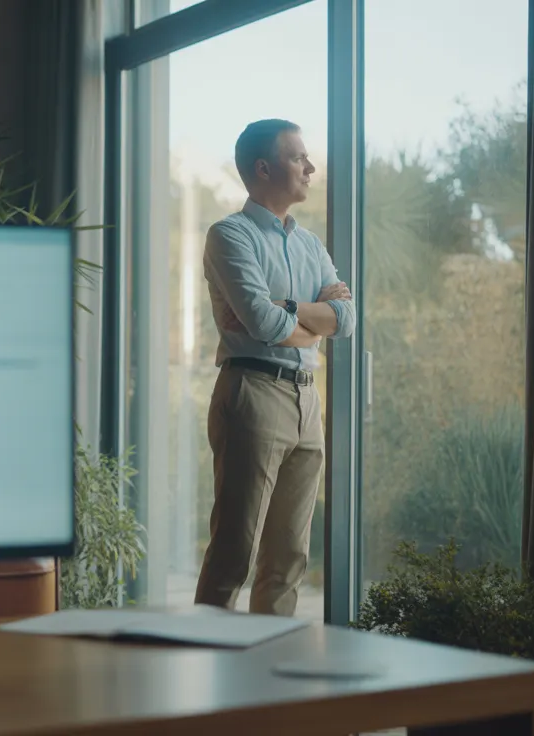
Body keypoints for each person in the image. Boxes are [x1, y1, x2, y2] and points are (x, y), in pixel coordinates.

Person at [194, 119, 356, 616]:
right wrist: (310, 319)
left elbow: (346, 320)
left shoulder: (309, 245)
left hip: (308, 399)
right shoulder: (230, 235)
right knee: (233, 553)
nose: (310, 167)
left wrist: (287, 308)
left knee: (289, 558)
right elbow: (262, 322)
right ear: (263, 168)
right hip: (253, 394)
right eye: (297, 157)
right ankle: (208, 667)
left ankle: (267, 671)